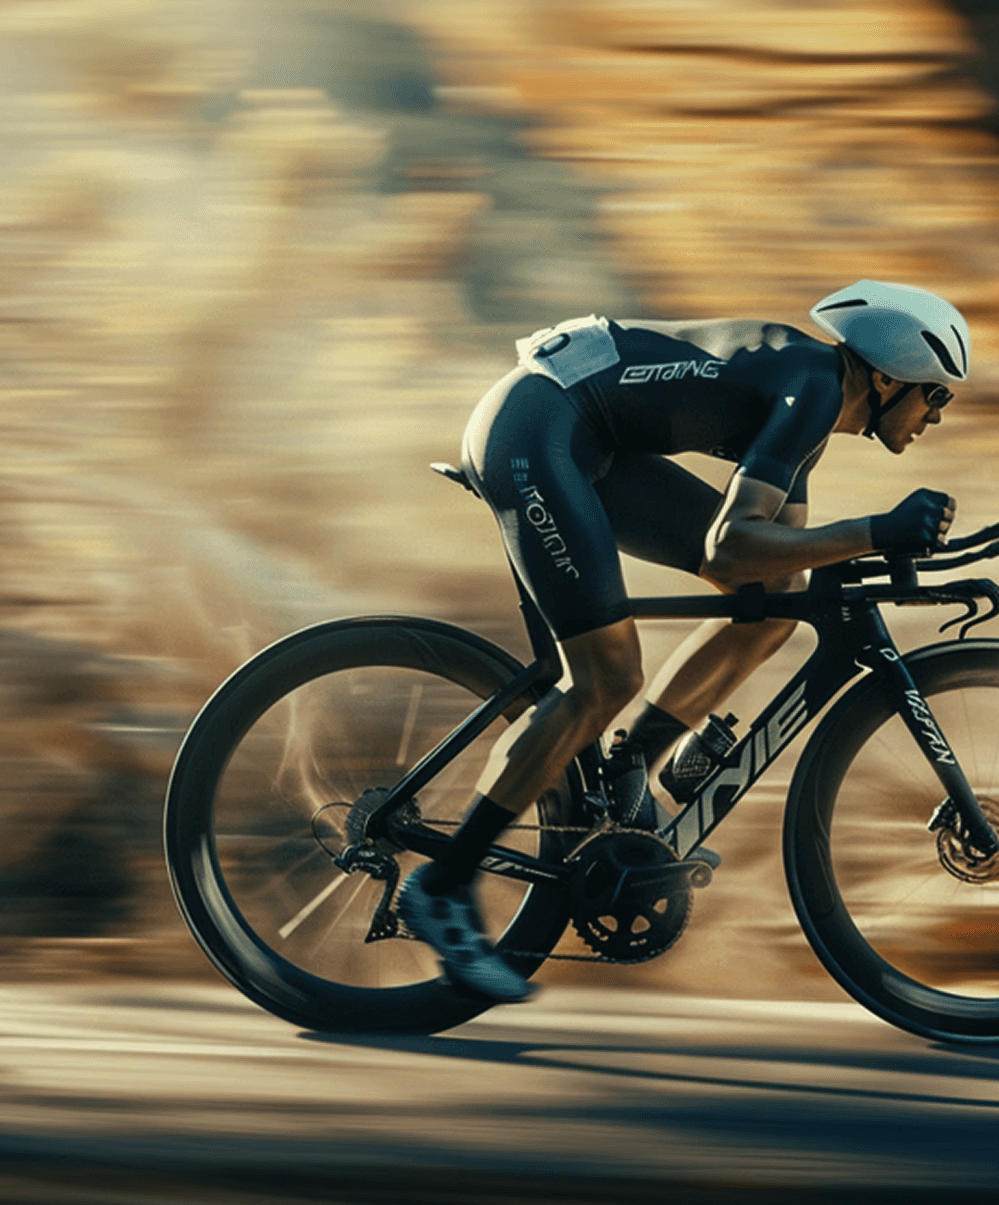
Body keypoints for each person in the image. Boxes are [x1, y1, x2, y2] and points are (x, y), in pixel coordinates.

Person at [394, 280, 968, 1001]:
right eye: (935, 395)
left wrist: (877, 551)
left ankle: (630, 764)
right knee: (602, 678)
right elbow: (732, 549)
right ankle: (442, 887)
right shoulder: (814, 387)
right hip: (534, 429)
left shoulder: (813, 405)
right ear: (886, 376)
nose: (936, 416)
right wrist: (877, 529)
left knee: (777, 604)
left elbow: (771, 560)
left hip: (588, 437)